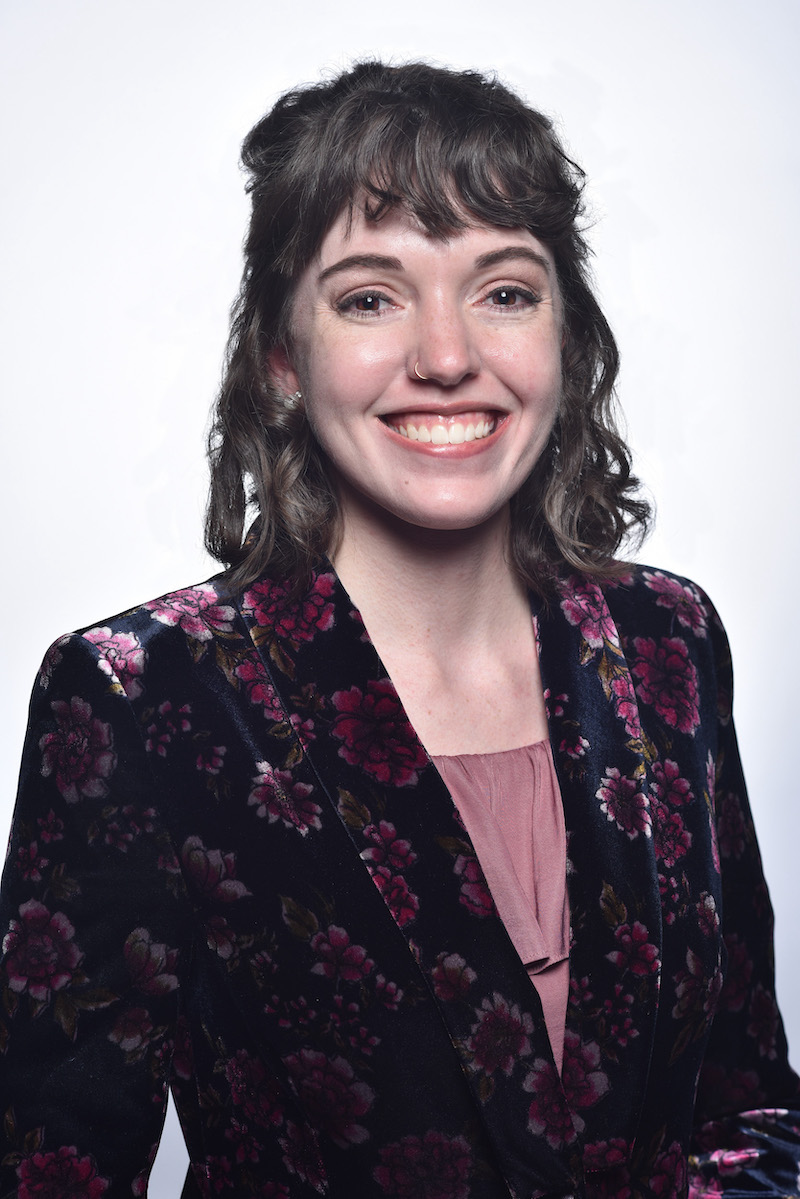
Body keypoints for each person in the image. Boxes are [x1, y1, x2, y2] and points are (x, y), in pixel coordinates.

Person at [1, 60, 798, 1199]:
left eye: (503, 291)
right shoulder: (138, 694)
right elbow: (54, 1172)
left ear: (564, 343)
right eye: (370, 296)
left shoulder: (666, 641)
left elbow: (748, 1098)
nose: (443, 354)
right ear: (282, 357)